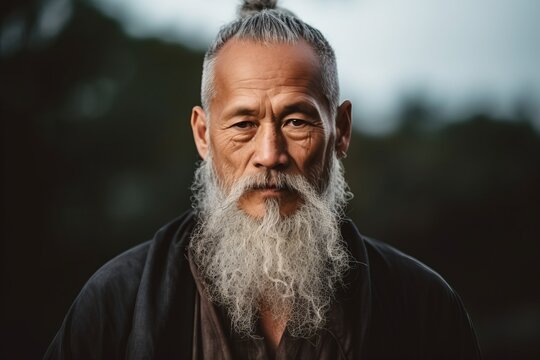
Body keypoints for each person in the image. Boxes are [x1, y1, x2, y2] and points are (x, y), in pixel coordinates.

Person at [45, 1, 481, 359]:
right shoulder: (117, 303)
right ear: (203, 134)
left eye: (295, 121)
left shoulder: (423, 307)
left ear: (341, 130)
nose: (270, 155)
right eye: (243, 125)